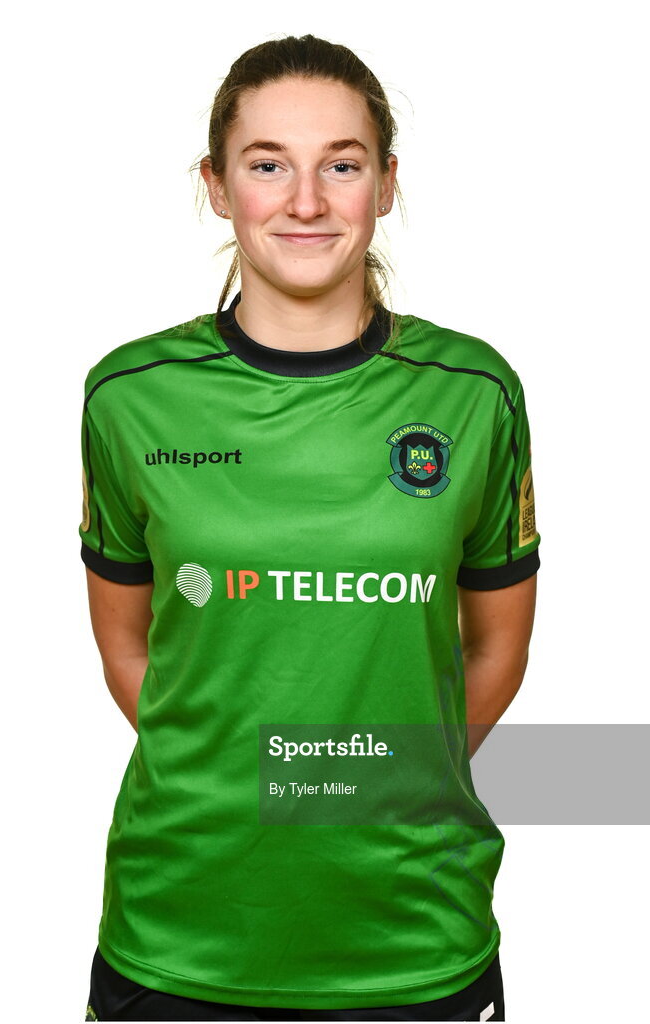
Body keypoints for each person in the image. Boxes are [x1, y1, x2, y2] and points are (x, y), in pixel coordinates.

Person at [80, 33, 540, 1023]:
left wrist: (366, 780)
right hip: (179, 933)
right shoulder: (129, 397)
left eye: (340, 164)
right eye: (266, 165)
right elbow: (126, 647)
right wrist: (234, 775)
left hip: (412, 935)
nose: (304, 201)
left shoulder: (473, 394)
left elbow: (495, 648)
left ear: (384, 185)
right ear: (215, 186)